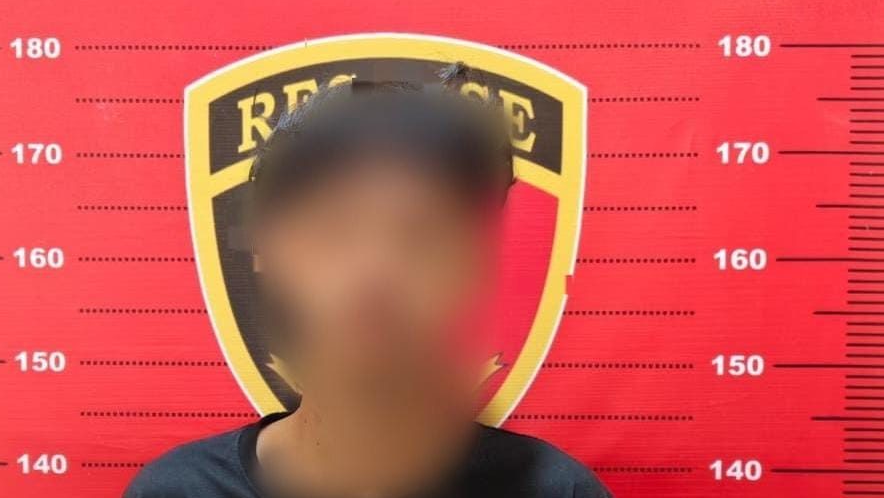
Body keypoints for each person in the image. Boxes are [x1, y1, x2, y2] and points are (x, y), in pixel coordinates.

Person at [125, 66, 611, 498]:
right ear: (268, 251)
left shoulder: (556, 490)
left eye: (422, 235)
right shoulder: (176, 491)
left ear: (474, 266)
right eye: (333, 230)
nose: (374, 273)